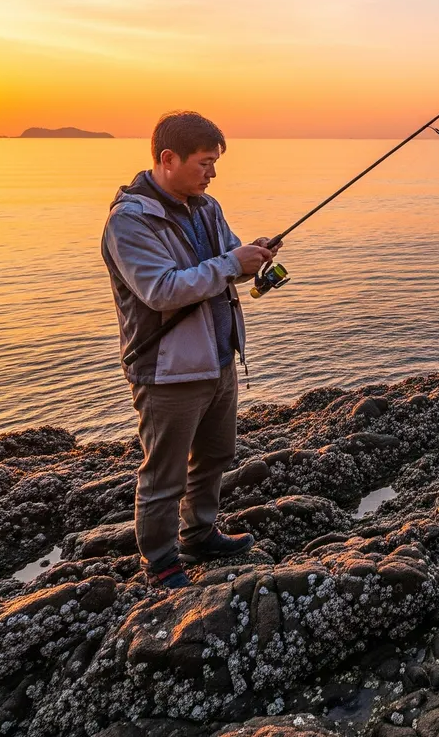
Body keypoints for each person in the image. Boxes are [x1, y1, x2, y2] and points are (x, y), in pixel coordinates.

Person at [101, 111, 280, 588]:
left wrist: (252, 257)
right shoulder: (129, 222)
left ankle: (199, 535)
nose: (212, 172)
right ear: (167, 159)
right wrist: (229, 263)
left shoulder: (206, 206)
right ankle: (159, 563)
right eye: (204, 162)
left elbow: (228, 263)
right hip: (167, 370)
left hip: (219, 358)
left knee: (216, 455)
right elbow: (160, 290)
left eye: (214, 162)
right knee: (164, 474)